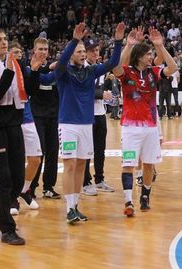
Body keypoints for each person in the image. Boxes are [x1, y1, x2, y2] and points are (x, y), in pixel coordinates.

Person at [0, 28, 41, 245]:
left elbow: (29, 91)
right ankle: (7, 230)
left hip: (15, 125)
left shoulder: (14, 64)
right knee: (2, 182)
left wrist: (33, 70)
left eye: (5, 39)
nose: (4, 42)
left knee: (17, 182)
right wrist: (7, 72)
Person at [56, 22, 123, 224]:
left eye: (84, 51)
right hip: (68, 125)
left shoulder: (91, 71)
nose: (83, 54)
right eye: (79, 51)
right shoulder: (63, 72)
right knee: (69, 165)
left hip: (86, 125)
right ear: (71, 53)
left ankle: (75, 206)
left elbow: (112, 62)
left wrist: (118, 41)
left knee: (80, 165)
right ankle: (68, 208)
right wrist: (74, 40)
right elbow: (60, 63)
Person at [112, 26, 178, 216]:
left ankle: (145, 196)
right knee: (129, 164)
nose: (151, 57)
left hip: (150, 127)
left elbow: (173, 68)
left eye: (152, 54)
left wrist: (160, 47)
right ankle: (128, 201)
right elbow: (115, 66)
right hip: (130, 127)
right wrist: (128, 45)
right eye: (148, 54)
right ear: (139, 56)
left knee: (149, 164)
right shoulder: (126, 73)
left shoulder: (153, 72)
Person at [8, 42, 41, 215]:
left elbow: (34, 89)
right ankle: (12, 197)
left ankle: (23, 189)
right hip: (11, 121)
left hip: (27, 119)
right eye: (15, 52)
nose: (19, 54)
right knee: (15, 161)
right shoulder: (4, 73)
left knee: (35, 159)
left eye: (20, 51)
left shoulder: (27, 71)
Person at [82, 37, 116, 196]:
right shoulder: (81, 68)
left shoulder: (99, 69)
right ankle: (85, 182)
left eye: (97, 50)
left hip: (100, 113)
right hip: (86, 115)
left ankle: (99, 179)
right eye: (92, 51)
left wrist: (103, 94)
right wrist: (102, 94)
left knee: (100, 149)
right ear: (85, 53)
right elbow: (85, 92)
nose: (95, 53)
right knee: (87, 150)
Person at [29, 37, 61, 200]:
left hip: (53, 116)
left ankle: (49, 187)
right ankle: (31, 188)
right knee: (38, 152)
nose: (43, 52)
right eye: (40, 49)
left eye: (45, 49)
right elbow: (35, 83)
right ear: (34, 50)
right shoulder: (30, 69)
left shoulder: (54, 69)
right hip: (37, 116)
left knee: (53, 152)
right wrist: (50, 67)